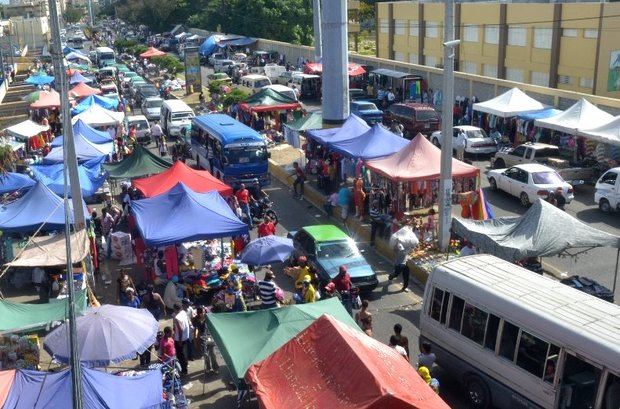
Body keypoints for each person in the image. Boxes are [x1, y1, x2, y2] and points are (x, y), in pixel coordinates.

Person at [172, 303, 190, 375]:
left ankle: (184, 370)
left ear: (175, 309)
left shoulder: (177, 318)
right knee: (184, 353)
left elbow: (180, 329)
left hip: (180, 339)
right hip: (186, 336)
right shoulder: (183, 312)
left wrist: (179, 340)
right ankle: (186, 365)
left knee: (180, 355)